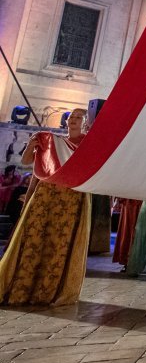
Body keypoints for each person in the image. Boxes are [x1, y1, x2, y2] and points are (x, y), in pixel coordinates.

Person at [0, 109, 91, 306]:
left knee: (58, 242)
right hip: (45, 195)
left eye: (78, 118)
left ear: (85, 123)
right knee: (33, 236)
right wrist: (30, 147)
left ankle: (48, 289)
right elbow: (26, 162)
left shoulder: (88, 145)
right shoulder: (52, 141)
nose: (73, 120)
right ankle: (23, 286)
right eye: (71, 118)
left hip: (70, 200)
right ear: (66, 122)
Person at [112, 197, 143, 272]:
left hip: (136, 200)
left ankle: (132, 261)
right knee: (129, 229)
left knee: (131, 229)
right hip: (131, 200)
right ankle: (130, 261)